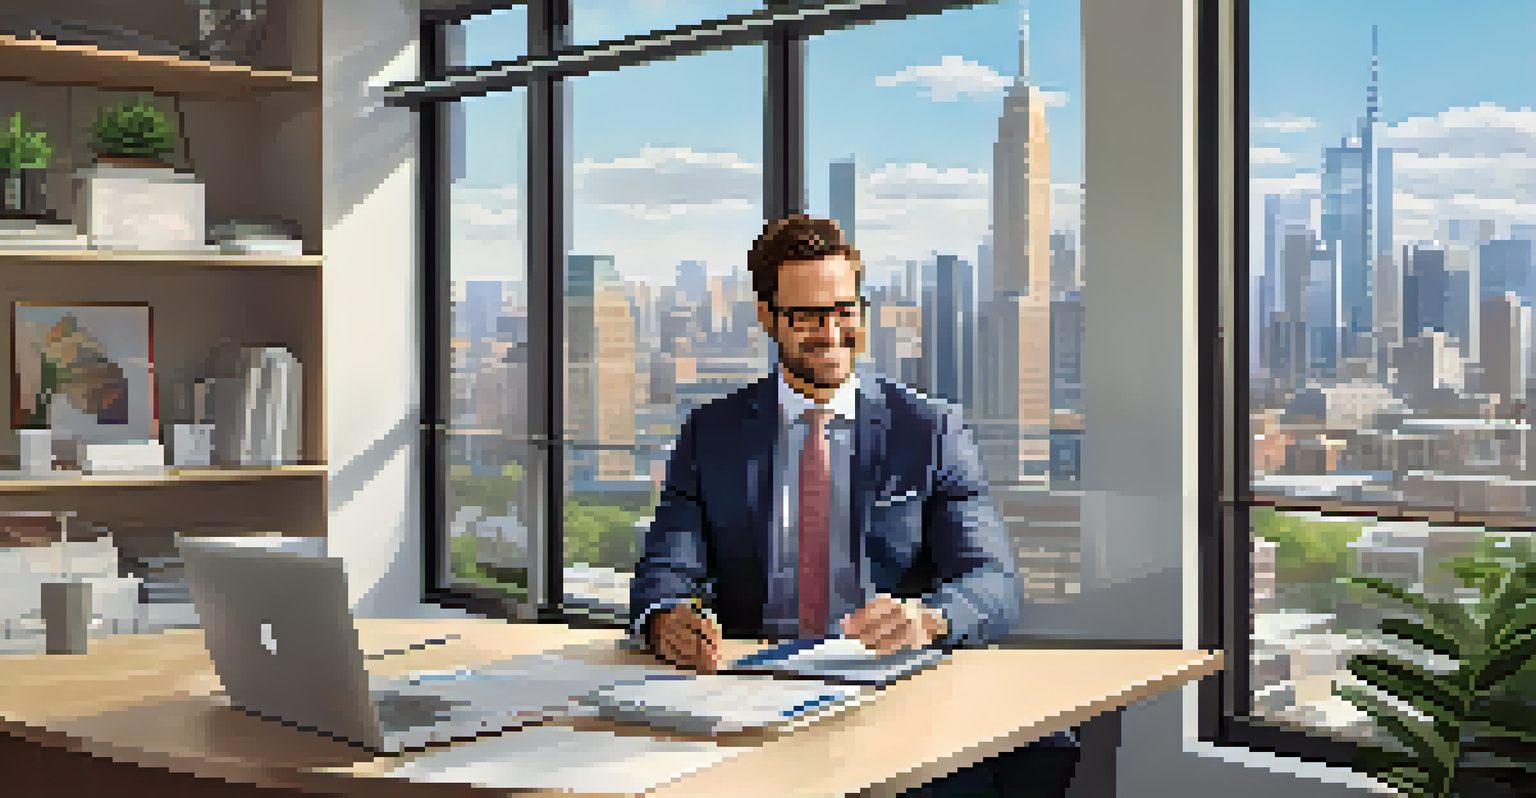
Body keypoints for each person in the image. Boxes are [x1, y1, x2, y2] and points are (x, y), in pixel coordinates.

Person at [628, 214, 1079, 798]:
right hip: (752, 694)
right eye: (808, 316)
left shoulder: (928, 430)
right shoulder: (711, 433)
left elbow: (994, 581)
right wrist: (666, 619)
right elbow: (664, 571)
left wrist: (929, 618)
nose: (831, 332)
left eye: (845, 310)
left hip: (891, 695)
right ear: (767, 317)